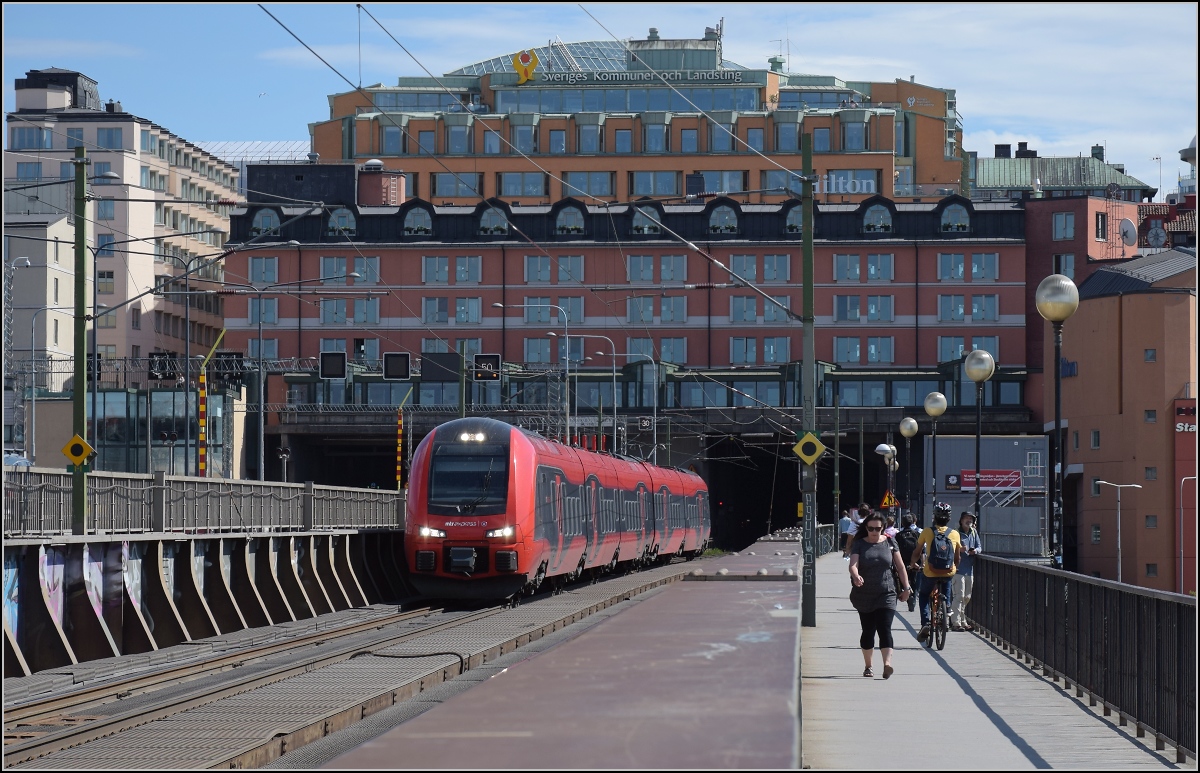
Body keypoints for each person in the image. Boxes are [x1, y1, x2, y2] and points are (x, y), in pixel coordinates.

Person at [848, 511, 912, 679]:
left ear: (883, 528)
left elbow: (900, 567)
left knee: (885, 628)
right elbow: (853, 565)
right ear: (866, 528)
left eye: (878, 528)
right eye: (870, 529)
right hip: (864, 594)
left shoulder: (890, 542)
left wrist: (906, 588)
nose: (874, 532)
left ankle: (887, 665)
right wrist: (856, 576)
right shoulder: (860, 544)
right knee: (868, 631)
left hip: (887, 593)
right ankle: (869, 666)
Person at [909, 502, 962, 642]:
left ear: (934, 517)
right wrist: (954, 567)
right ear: (949, 518)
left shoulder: (927, 531)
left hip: (930, 571)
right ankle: (947, 608)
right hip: (948, 571)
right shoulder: (955, 534)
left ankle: (926, 623)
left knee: (924, 595)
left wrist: (913, 563)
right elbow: (957, 557)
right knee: (947, 585)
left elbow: (917, 551)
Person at [951, 511, 982, 631]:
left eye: (971, 519)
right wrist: (960, 549)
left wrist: (975, 551)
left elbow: (979, 546)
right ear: (961, 520)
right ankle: (956, 622)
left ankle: (963, 621)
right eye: (966, 518)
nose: (969, 520)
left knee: (967, 597)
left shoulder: (973, 532)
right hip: (958, 569)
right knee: (959, 595)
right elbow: (951, 548)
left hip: (970, 569)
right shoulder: (956, 533)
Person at [895, 513, 922, 611]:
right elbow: (921, 548)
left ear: (902, 522)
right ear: (912, 522)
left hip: (902, 562)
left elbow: (895, 550)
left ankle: (906, 593)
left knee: (903, 579)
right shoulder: (916, 533)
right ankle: (913, 598)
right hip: (915, 562)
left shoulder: (898, 535)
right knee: (914, 580)